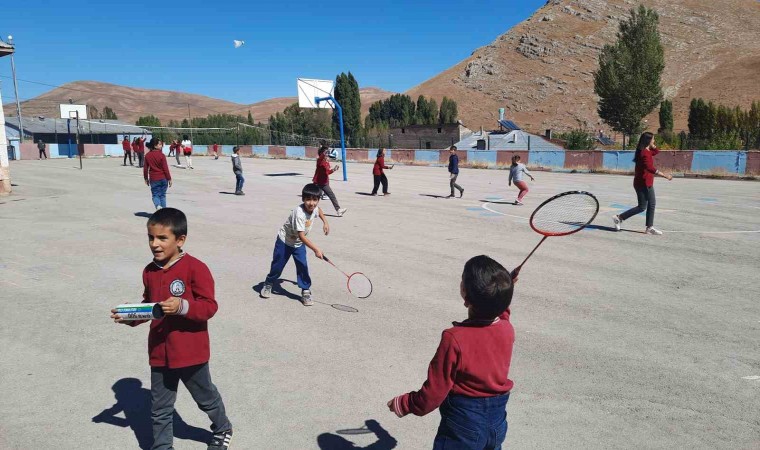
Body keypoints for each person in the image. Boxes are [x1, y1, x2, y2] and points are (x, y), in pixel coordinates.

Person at [110, 208, 234, 450]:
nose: (154, 244)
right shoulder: (149, 271)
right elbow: (150, 306)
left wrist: (183, 306)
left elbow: (209, 307)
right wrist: (131, 316)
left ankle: (222, 428)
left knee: (205, 398)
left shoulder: (196, 268)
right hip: (159, 352)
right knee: (160, 409)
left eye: (162, 238)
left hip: (190, 352)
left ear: (180, 240)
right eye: (150, 237)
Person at [387, 255, 516, 449]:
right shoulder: (507, 329)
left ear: (465, 296)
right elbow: (503, 312)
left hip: (464, 424)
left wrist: (406, 403)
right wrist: (505, 289)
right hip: (497, 423)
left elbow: (434, 393)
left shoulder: (455, 339)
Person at [260, 183, 330, 306]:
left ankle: (305, 290)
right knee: (277, 266)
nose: (311, 203)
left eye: (315, 200)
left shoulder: (315, 208)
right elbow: (302, 236)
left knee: (303, 266)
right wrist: (316, 249)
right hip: (285, 241)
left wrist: (325, 222)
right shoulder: (299, 213)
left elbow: (319, 211)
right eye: (308, 199)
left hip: (298, 244)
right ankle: (268, 283)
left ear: (318, 200)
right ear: (303, 199)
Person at [612, 132, 672, 235]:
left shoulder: (646, 151)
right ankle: (619, 217)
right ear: (648, 140)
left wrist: (653, 146)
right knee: (642, 207)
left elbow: (656, 151)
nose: (654, 141)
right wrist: (665, 175)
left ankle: (649, 227)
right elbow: (650, 168)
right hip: (642, 183)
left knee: (651, 204)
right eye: (653, 139)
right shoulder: (644, 153)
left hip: (646, 182)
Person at [312, 145, 347, 216]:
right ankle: (311, 211)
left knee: (331, 195)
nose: (328, 154)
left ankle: (338, 210)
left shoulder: (326, 162)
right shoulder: (319, 160)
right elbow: (321, 157)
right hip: (318, 182)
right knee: (316, 197)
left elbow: (327, 172)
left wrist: (333, 170)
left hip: (324, 183)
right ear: (323, 153)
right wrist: (325, 152)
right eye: (326, 152)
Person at [143, 138, 172, 210]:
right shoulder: (162, 155)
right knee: (162, 195)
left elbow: (145, 168)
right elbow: (165, 169)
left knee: (155, 195)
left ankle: (158, 206)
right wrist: (169, 178)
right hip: (163, 178)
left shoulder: (147, 155)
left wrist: (146, 178)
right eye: (159, 144)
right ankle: (163, 212)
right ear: (155, 146)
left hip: (154, 179)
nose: (161, 145)